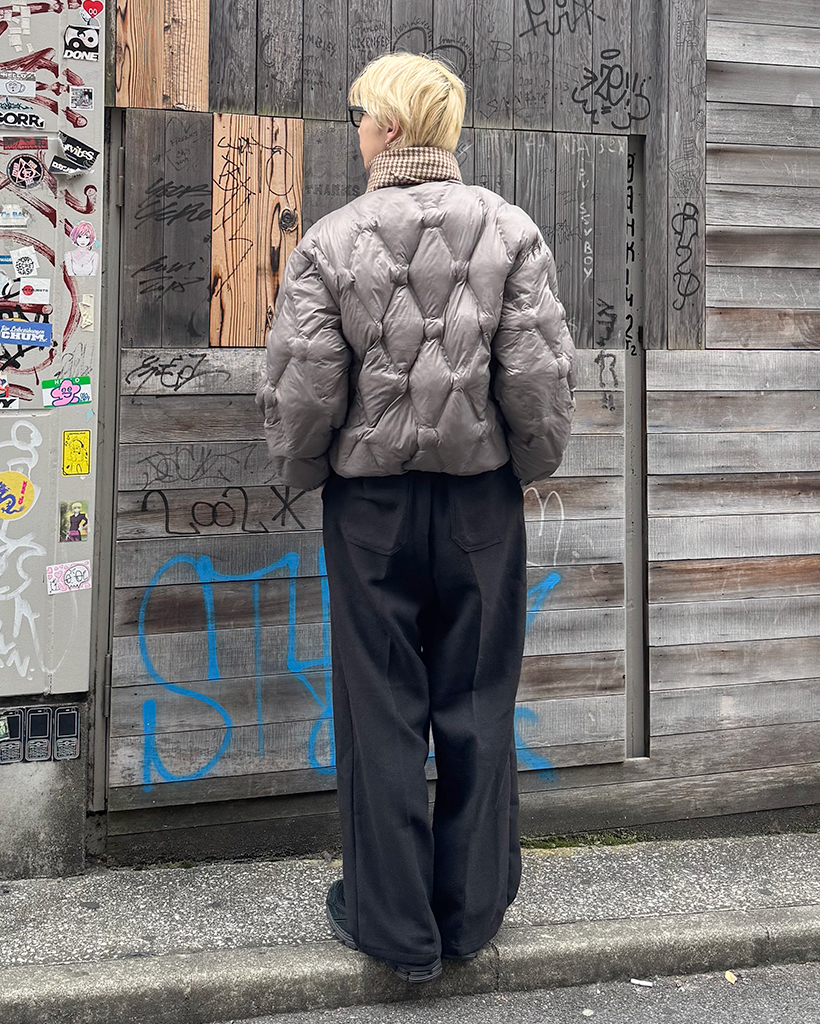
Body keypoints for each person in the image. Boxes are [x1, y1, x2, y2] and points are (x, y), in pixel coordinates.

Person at [256, 51, 576, 984]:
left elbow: (304, 390)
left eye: (361, 113)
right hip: (481, 505)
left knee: (380, 708)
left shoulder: (331, 241)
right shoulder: (511, 231)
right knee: (478, 701)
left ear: (389, 128)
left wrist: (303, 472)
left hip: (373, 510)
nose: (355, 127)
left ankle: (394, 928)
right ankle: (470, 915)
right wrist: (527, 465)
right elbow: (539, 379)